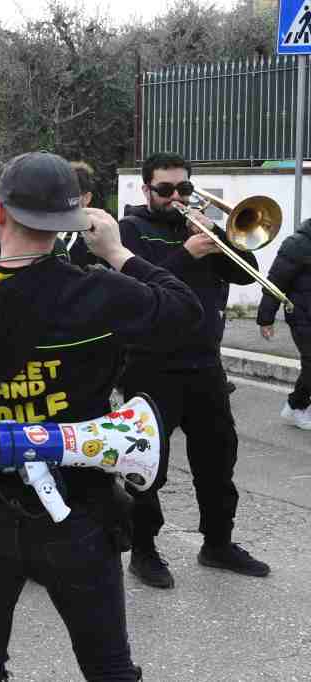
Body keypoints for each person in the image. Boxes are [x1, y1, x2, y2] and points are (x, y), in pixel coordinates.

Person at [0, 151, 203, 681]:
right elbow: (185, 312)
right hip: (80, 513)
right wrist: (117, 252)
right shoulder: (98, 292)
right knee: (108, 668)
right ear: (72, 223)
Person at [118, 151, 271, 589]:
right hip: (151, 367)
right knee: (148, 464)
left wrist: (219, 235)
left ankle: (218, 543)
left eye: (184, 188)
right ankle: (143, 550)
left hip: (205, 364)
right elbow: (137, 290)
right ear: (147, 189)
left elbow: (247, 275)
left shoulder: (202, 228)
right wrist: (185, 253)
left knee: (218, 460)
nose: (176, 197)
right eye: (165, 189)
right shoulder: (131, 230)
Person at [258, 217, 311, 428]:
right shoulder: (297, 243)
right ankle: (295, 407)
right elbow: (275, 282)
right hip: (303, 316)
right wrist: (265, 319)